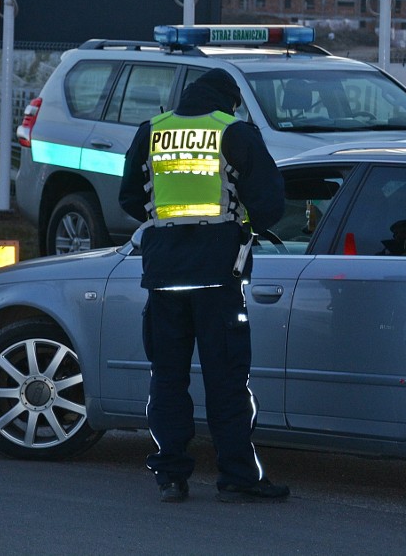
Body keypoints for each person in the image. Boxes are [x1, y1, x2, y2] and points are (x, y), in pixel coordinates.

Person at [118, 69, 289, 504]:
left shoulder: (152, 132)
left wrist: (171, 226)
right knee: (227, 381)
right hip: (217, 279)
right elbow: (269, 204)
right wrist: (238, 225)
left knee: (168, 380)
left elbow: (129, 200)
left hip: (163, 280)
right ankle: (237, 474)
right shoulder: (233, 132)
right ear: (229, 102)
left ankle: (170, 477)